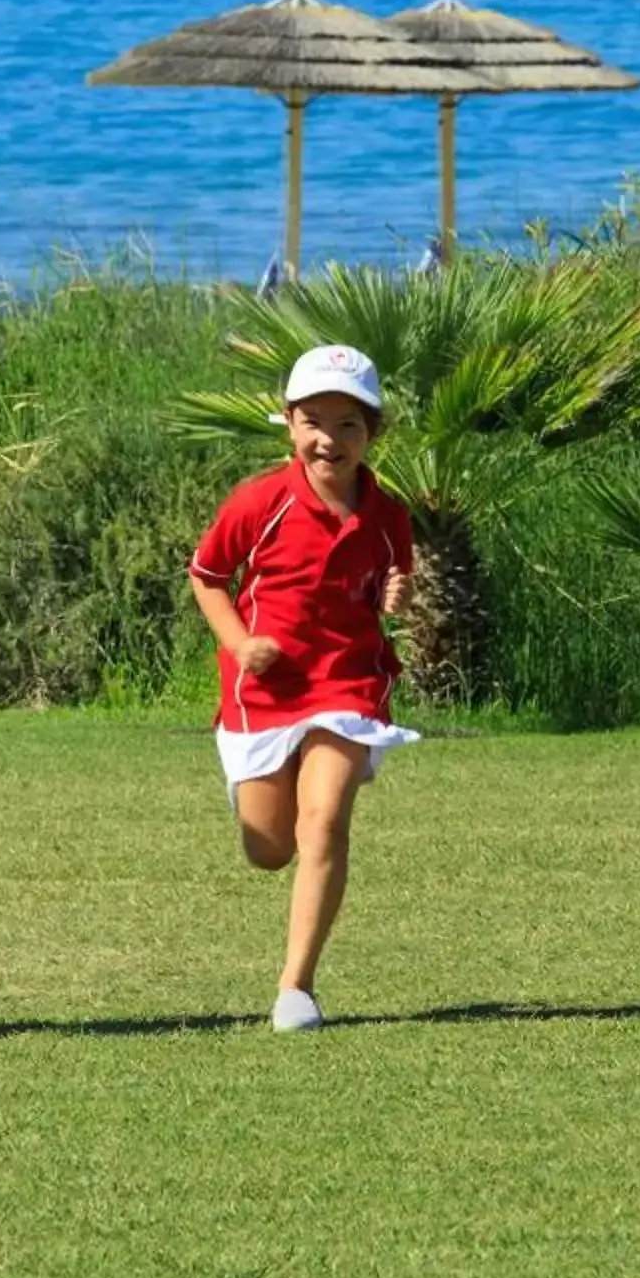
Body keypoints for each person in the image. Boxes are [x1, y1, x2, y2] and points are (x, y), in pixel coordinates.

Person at [188, 344, 417, 1030]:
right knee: (270, 849)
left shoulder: (389, 514)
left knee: (325, 819)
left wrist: (396, 593)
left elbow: (384, 585)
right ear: (289, 424)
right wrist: (239, 643)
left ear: (372, 433)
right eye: (314, 420)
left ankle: (297, 989)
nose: (329, 439)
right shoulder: (259, 502)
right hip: (263, 696)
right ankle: (267, 794)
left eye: (349, 424)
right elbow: (207, 576)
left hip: (348, 687)